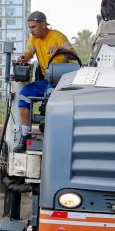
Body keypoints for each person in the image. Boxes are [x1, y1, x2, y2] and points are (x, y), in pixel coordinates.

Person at [13, 11, 74, 152]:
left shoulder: (58, 36)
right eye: (30, 28)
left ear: (43, 25)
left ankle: (53, 132)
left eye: (33, 27)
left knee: (51, 96)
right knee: (24, 94)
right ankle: (24, 137)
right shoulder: (34, 39)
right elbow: (28, 52)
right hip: (47, 80)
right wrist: (23, 58)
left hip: (62, 82)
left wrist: (61, 49)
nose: (31, 31)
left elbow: (74, 54)